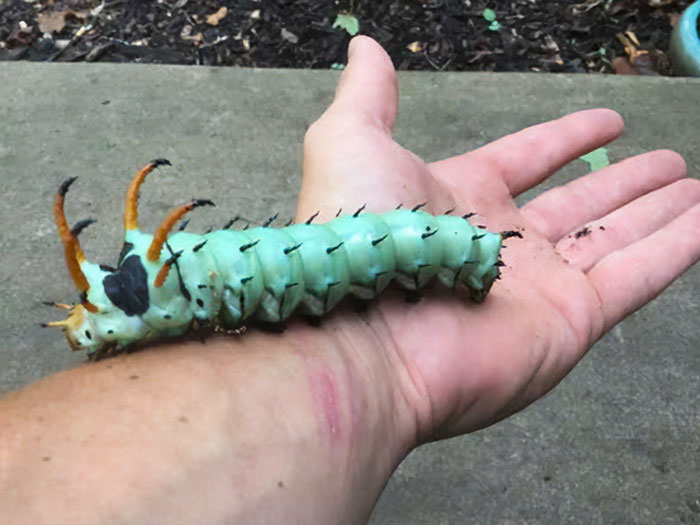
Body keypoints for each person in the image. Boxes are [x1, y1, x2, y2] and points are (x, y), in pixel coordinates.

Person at [1, 36, 698, 523]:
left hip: (367, 256)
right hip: (260, 272)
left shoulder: (217, 287)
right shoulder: (205, 285)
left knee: (319, 257)